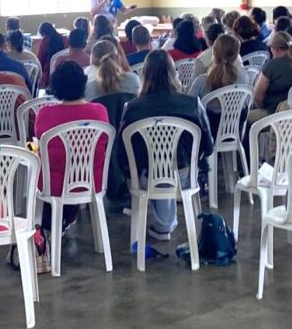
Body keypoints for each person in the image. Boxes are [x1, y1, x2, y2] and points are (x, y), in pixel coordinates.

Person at [119, 50, 213, 240]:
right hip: (185, 175)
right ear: (174, 72)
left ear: (144, 75)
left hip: (146, 175)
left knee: (146, 167)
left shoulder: (132, 108)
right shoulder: (192, 103)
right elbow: (208, 146)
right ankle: (166, 224)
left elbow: (122, 153)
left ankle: (162, 225)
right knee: (170, 167)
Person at [35, 62, 110, 234]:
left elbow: (40, 140)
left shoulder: (45, 113)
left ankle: (51, 222)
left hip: (53, 184)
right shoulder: (100, 112)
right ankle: (66, 217)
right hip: (91, 181)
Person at [251, 31, 292, 119]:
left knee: (244, 117)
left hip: (278, 116)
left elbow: (257, 97)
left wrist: (266, 107)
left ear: (276, 49)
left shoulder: (272, 65)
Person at [190, 34, 250, 99]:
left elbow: (188, 104)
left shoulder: (201, 81)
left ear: (213, 53)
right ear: (236, 56)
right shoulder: (244, 76)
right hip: (238, 109)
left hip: (205, 109)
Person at [36, 22, 66, 88]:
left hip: (48, 75)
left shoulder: (45, 41)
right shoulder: (64, 39)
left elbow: (40, 59)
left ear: (43, 33)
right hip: (64, 71)